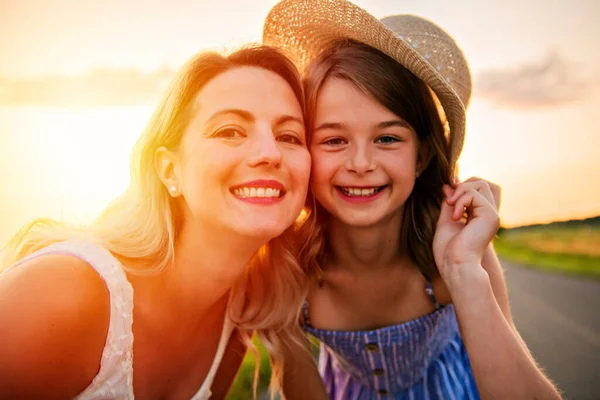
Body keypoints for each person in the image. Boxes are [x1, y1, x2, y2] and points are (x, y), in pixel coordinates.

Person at [264, 1, 563, 399]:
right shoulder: (287, 267)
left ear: (421, 156)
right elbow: (296, 379)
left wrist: (463, 271)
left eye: (387, 138)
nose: (361, 164)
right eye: (334, 140)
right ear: (305, 149)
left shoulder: (454, 253)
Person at [0, 45, 314, 399]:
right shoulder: (63, 292)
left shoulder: (237, 313)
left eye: (289, 136)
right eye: (230, 131)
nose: (270, 153)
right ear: (169, 169)